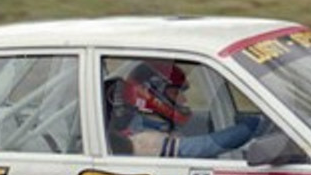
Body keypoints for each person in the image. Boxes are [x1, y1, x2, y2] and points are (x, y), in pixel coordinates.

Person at [109, 60, 261, 159]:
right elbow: (204, 147)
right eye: (176, 94)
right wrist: (253, 126)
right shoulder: (142, 138)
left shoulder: (158, 126)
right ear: (148, 92)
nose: (183, 100)